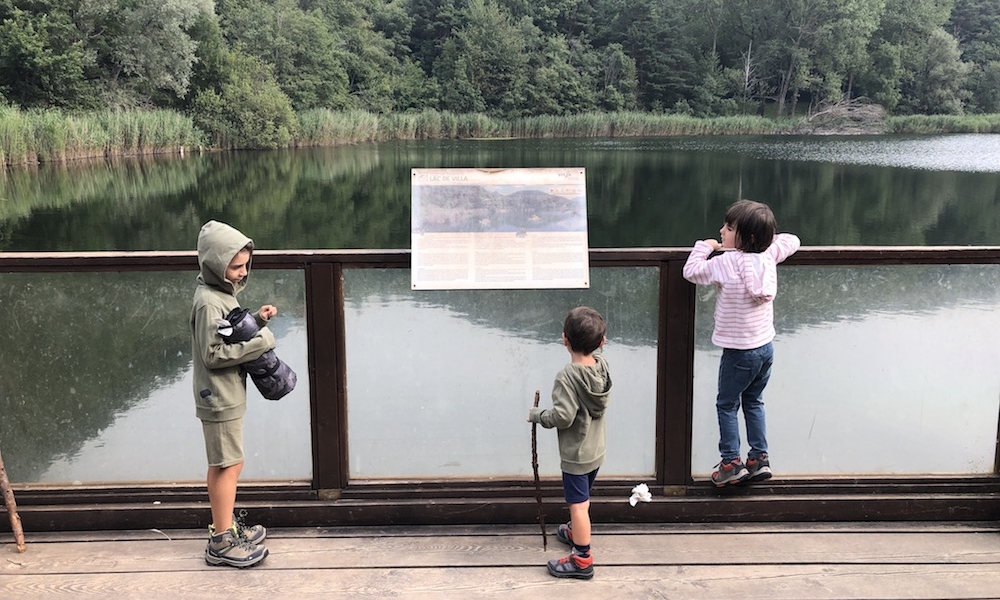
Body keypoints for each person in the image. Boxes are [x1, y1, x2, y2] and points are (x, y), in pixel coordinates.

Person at [682, 199, 800, 487]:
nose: (722, 231)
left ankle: (731, 463)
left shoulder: (726, 263)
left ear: (745, 238)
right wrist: (765, 241)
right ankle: (759, 458)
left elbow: (691, 271)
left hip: (738, 352)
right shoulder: (769, 255)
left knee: (726, 404)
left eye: (729, 228)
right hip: (765, 349)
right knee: (754, 400)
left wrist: (706, 246)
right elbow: (792, 240)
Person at [191, 220, 277, 567]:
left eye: (245, 265)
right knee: (227, 463)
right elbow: (212, 354)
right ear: (214, 263)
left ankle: (224, 527)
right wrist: (260, 344)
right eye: (236, 266)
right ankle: (221, 541)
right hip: (218, 394)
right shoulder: (208, 303)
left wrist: (256, 319)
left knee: (229, 461)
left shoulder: (220, 295)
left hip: (226, 392)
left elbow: (227, 334)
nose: (243, 273)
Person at [528, 306, 613, 580]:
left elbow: (563, 417)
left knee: (578, 505)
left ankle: (582, 559)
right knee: (583, 500)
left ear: (564, 339)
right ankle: (576, 532)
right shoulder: (602, 367)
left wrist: (539, 415)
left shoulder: (567, 376)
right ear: (602, 343)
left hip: (577, 455)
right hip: (596, 450)